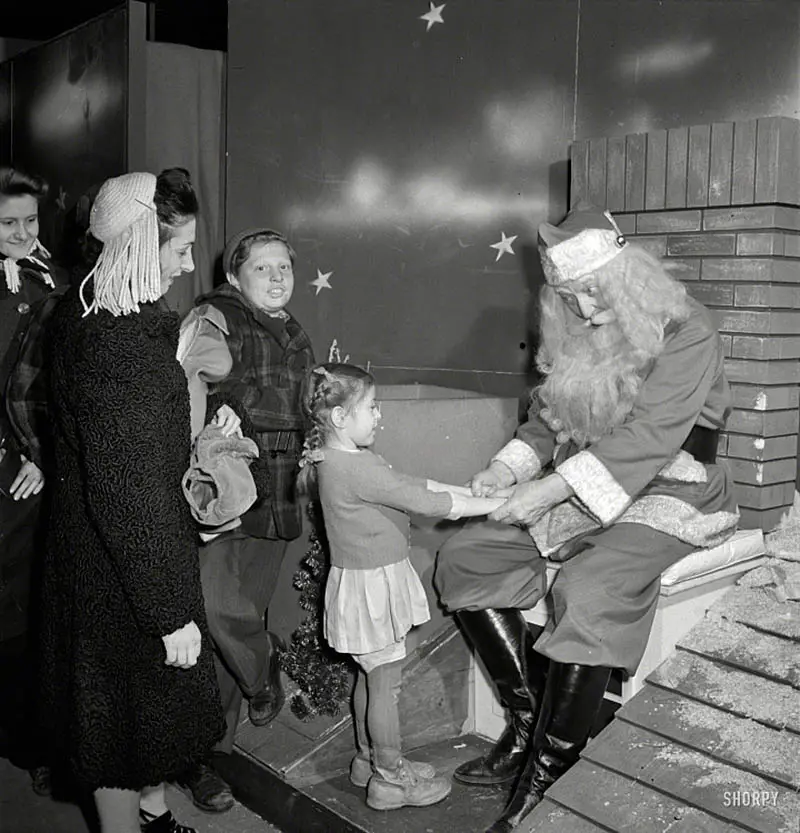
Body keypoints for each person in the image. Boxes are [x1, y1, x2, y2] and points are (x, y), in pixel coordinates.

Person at [435, 204, 739, 833]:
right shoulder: (582, 324)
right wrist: (507, 471)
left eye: (591, 292)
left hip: (673, 485)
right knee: (466, 556)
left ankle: (546, 777)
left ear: (628, 277)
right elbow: (550, 420)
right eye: (568, 296)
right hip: (584, 483)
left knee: (591, 587)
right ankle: (528, 720)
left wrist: (546, 494)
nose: (581, 309)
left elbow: (652, 437)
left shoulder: (688, 330)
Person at [36, 169, 233, 833]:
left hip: (92, 557)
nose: (187, 263)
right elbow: (126, 494)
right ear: (137, 244)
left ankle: (151, 816)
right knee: (119, 730)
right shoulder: (122, 344)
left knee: (142, 720)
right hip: (124, 576)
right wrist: (169, 612)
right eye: (178, 248)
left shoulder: (88, 311)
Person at [298, 362, 511, 811]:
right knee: (386, 684)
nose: (379, 416)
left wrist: (477, 493)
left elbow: (411, 485)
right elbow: (427, 501)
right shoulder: (354, 468)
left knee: (370, 676)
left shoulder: (340, 459)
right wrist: (496, 504)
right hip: (373, 589)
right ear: (340, 417)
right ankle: (390, 778)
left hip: (364, 584)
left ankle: (366, 759)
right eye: (371, 407)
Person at [175, 228, 315, 812]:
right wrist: (196, 446)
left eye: (284, 266)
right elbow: (182, 388)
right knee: (215, 610)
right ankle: (264, 675)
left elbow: (312, 407)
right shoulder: (217, 318)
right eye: (263, 268)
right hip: (227, 489)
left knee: (234, 624)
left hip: (281, 492)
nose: (278, 276)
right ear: (236, 276)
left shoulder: (297, 334)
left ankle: (209, 756)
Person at [0, 167, 67, 631]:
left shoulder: (58, 283)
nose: (23, 233)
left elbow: (59, 383)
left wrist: (41, 454)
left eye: (31, 220)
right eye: (8, 223)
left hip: (35, 464)